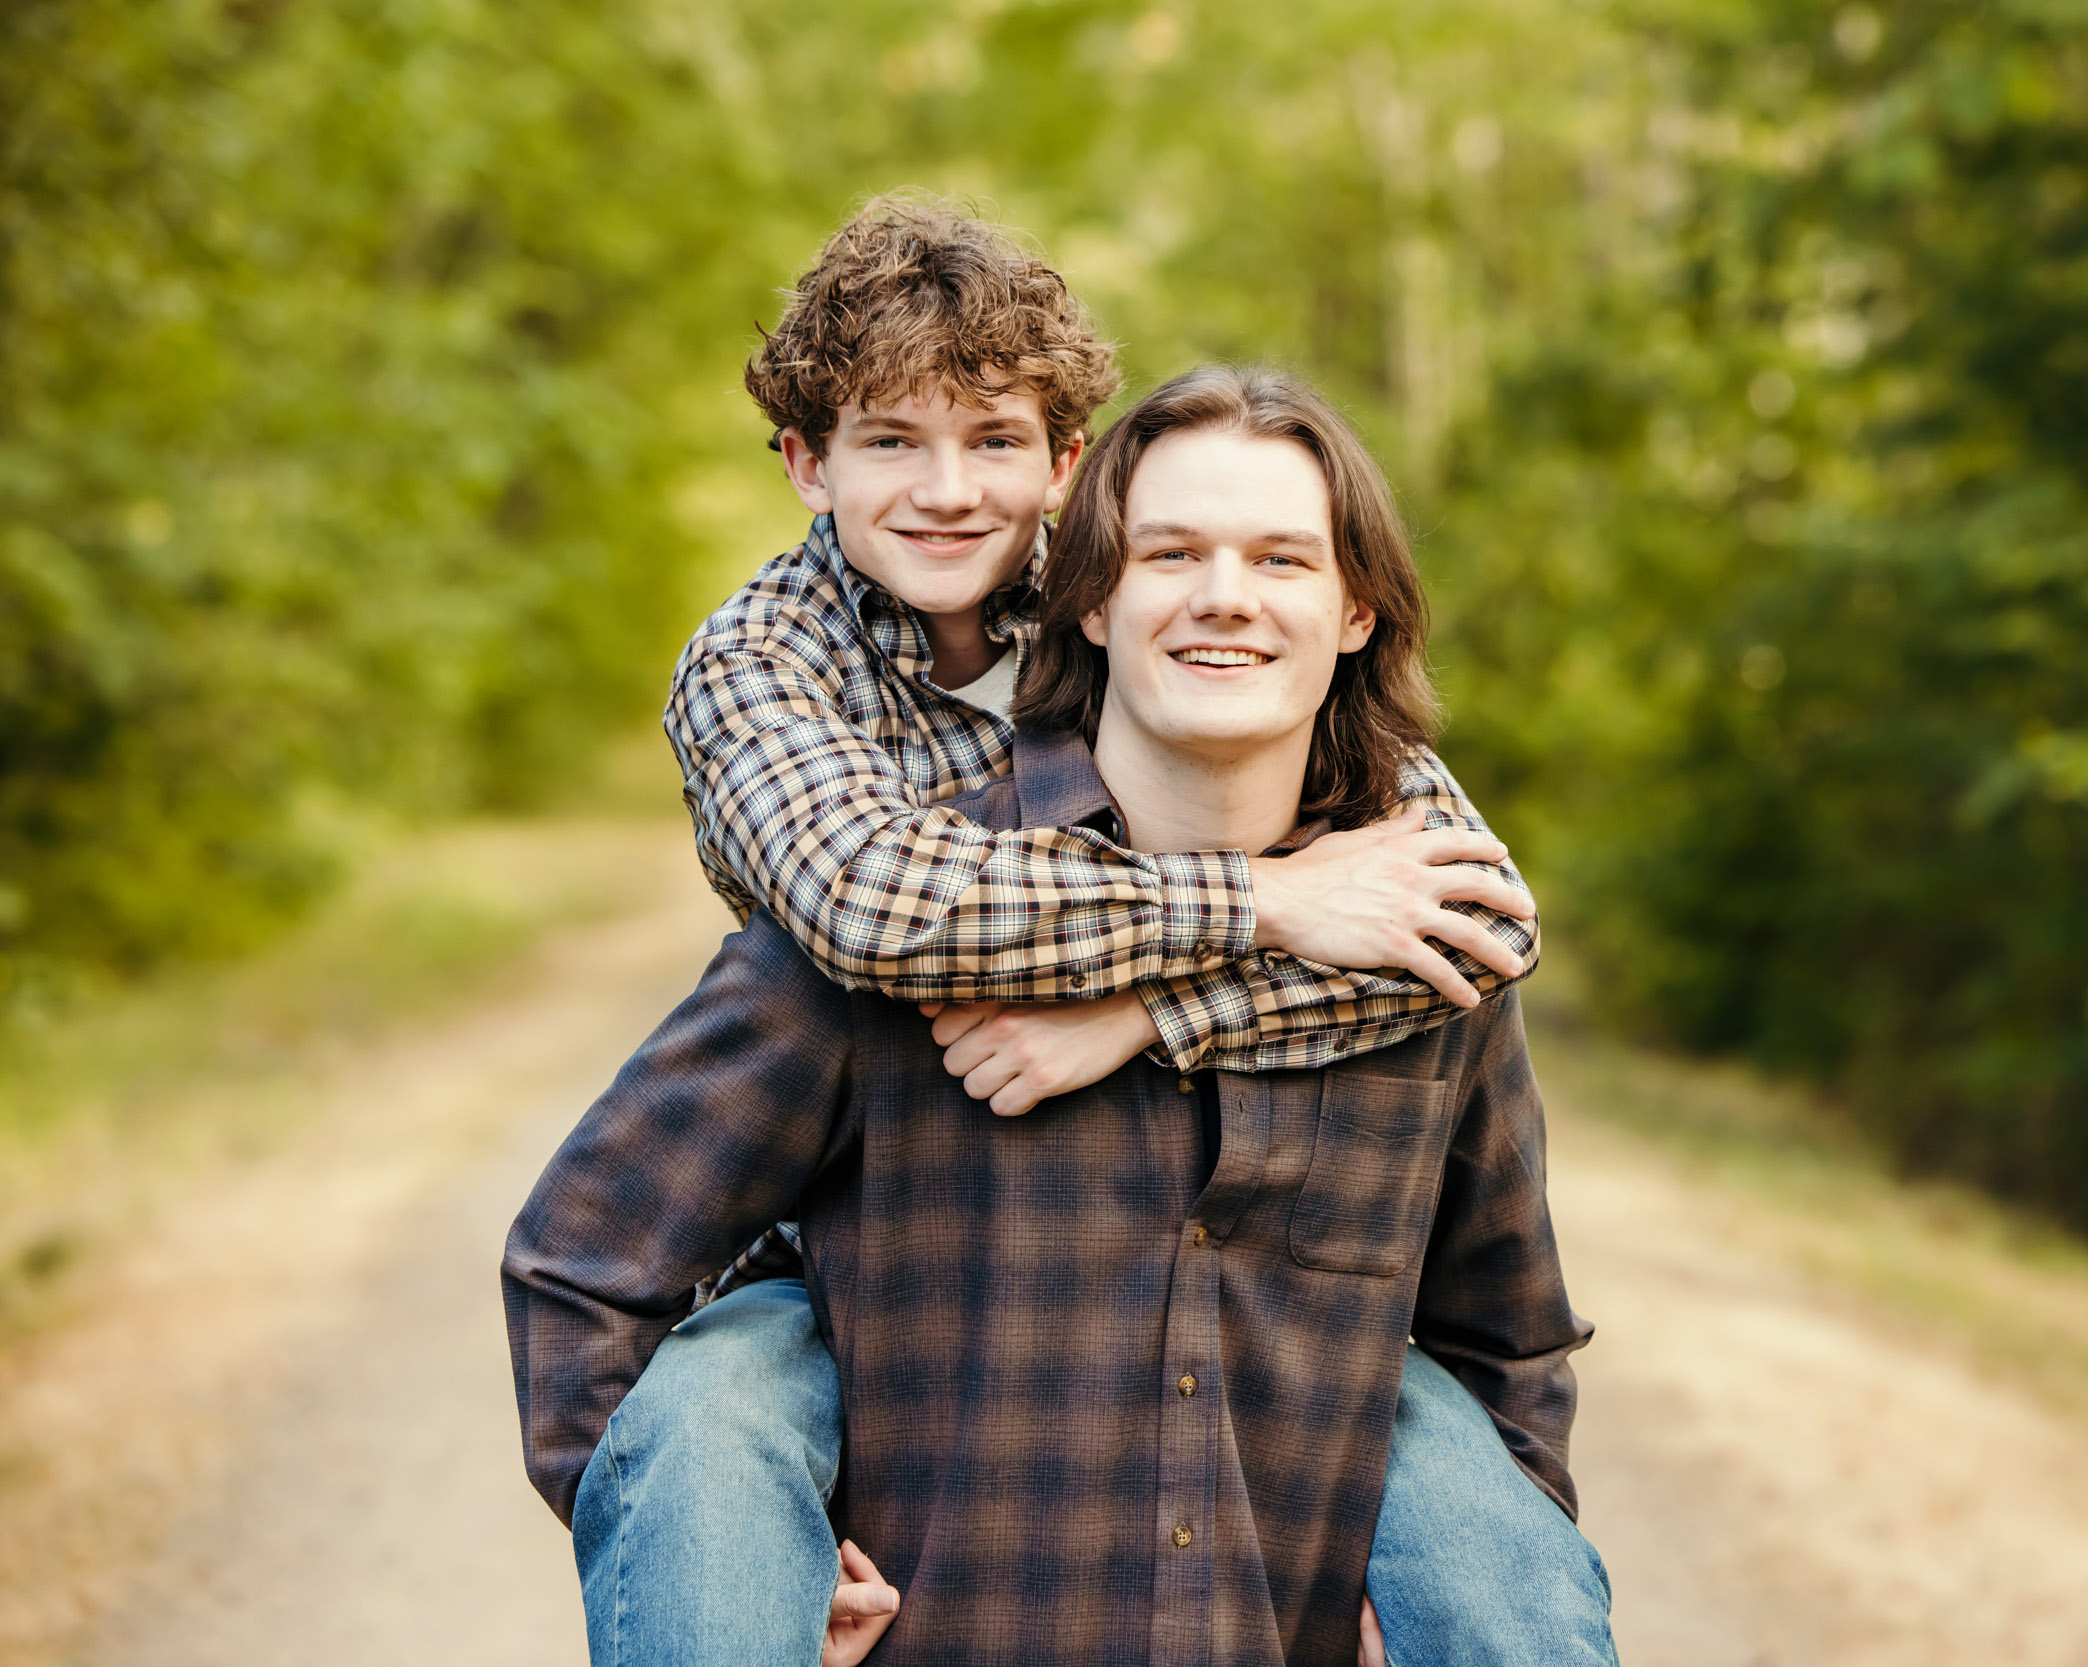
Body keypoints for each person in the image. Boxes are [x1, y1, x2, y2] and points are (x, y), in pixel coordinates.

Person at [506, 364, 1617, 1666]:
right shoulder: (905, 922)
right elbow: (586, 1265)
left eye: (1281, 558)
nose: (1225, 595)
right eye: (1172, 551)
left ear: (1356, 610)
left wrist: (1446, 1606)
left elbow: (1510, 1348)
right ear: (1085, 598)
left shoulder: (1412, 940)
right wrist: (737, 1571)